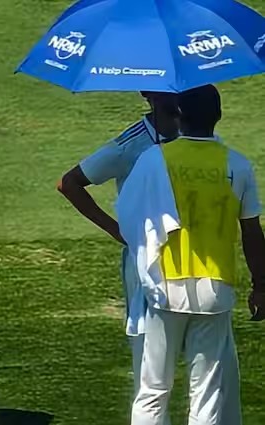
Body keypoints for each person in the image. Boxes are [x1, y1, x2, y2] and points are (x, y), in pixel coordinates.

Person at [115, 84, 265, 425]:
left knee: (152, 391)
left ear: (179, 115)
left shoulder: (154, 158)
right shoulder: (237, 165)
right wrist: (261, 286)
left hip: (164, 284)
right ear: (219, 116)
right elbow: (252, 232)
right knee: (207, 394)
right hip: (215, 286)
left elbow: (128, 214)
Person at [57, 92, 180, 401]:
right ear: (147, 95)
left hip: (193, 259)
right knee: (147, 360)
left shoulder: (200, 137)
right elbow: (69, 183)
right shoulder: (130, 144)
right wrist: (118, 230)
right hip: (145, 262)